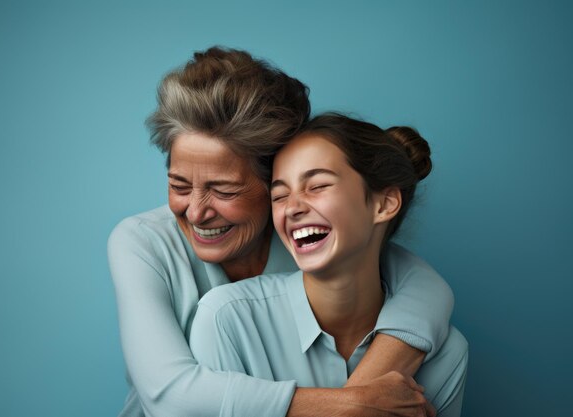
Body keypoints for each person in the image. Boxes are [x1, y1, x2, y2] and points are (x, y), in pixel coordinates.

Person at [108, 47, 454, 417]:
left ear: (275, 181)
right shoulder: (142, 242)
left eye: (224, 191)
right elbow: (171, 398)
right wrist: (351, 404)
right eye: (178, 186)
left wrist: (388, 359)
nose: (195, 212)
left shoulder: (308, 238)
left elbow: (424, 287)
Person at [190, 113, 469, 417]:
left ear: (385, 203)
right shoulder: (226, 320)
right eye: (280, 195)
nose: (293, 207)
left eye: (318, 186)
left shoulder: (444, 353)